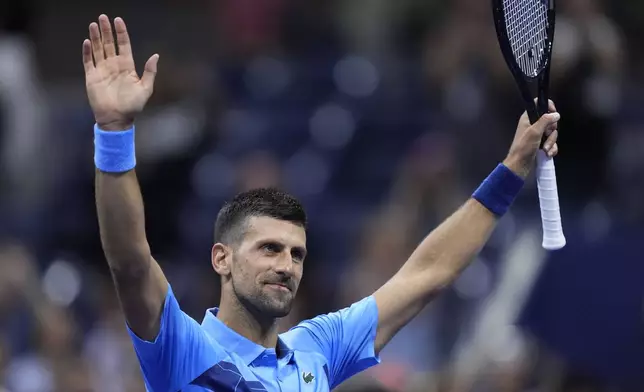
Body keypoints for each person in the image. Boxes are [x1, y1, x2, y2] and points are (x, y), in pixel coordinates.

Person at [83, 14, 560, 392]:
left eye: (297, 254)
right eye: (269, 248)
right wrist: (114, 131)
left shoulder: (318, 350)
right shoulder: (182, 350)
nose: (287, 265)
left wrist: (512, 168)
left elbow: (427, 273)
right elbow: (129, 259)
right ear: (221, 258)